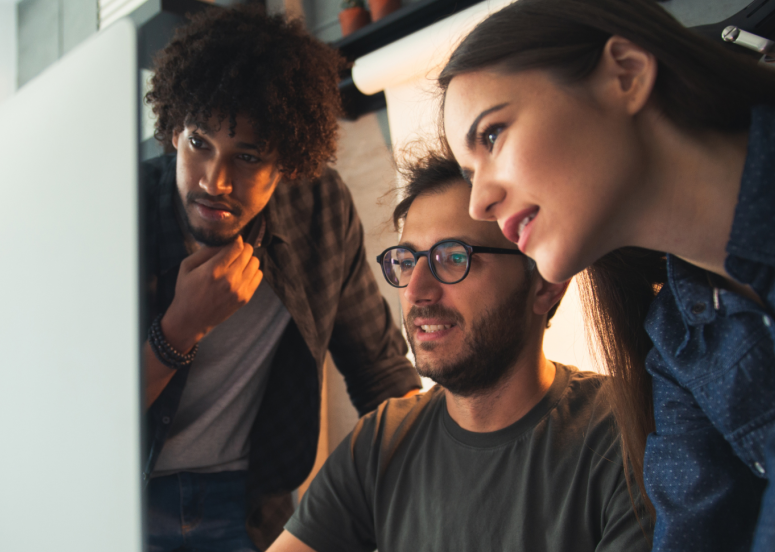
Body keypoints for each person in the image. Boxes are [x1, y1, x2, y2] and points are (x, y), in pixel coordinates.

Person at [438, 0, 775, 552]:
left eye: (493, 135)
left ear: (625, 73)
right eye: (470, 174)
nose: (479, 202)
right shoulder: (678, 346)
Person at [141, 5, 421, 551]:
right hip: (123, 498)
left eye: (247, 156)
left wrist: (446, 470)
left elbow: (379, 371)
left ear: (288, 164)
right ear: (175, 131)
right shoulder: (118, 214)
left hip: (249, 505)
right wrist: (179, 328)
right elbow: (78, 414)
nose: (216, 181)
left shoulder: (319, 205)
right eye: (200, 143)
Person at [266, 155, 650, 552]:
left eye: (453, 258)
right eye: (407, 260)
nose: (416, 290)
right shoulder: (382, 439)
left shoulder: (628, 430)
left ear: (546, 284)